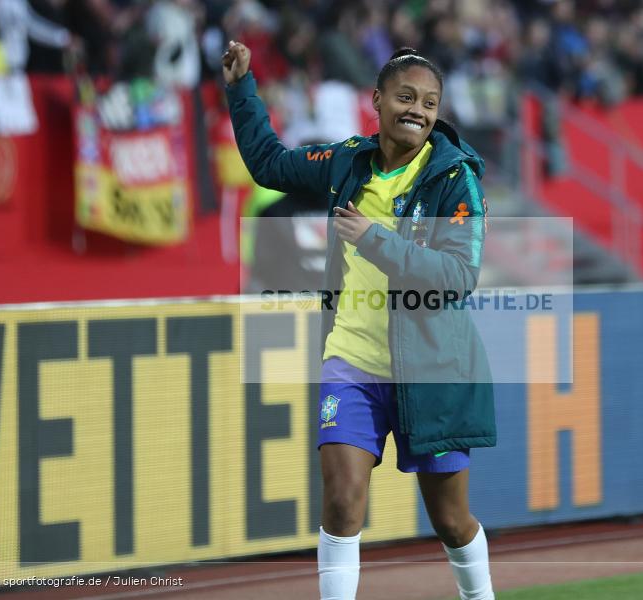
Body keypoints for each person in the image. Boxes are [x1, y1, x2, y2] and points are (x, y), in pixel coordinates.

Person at [223, 41, 496, 600]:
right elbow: (269, 164)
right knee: (343, 501)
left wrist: (375, 240)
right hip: (351, 361)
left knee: (450, 521)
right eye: (405, 97)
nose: (417, 110)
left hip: (432, 370)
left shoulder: (455, 178)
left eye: (429, 102)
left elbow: (458, 275)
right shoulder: (346, 161)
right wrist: (240, 88)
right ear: (376, 100)